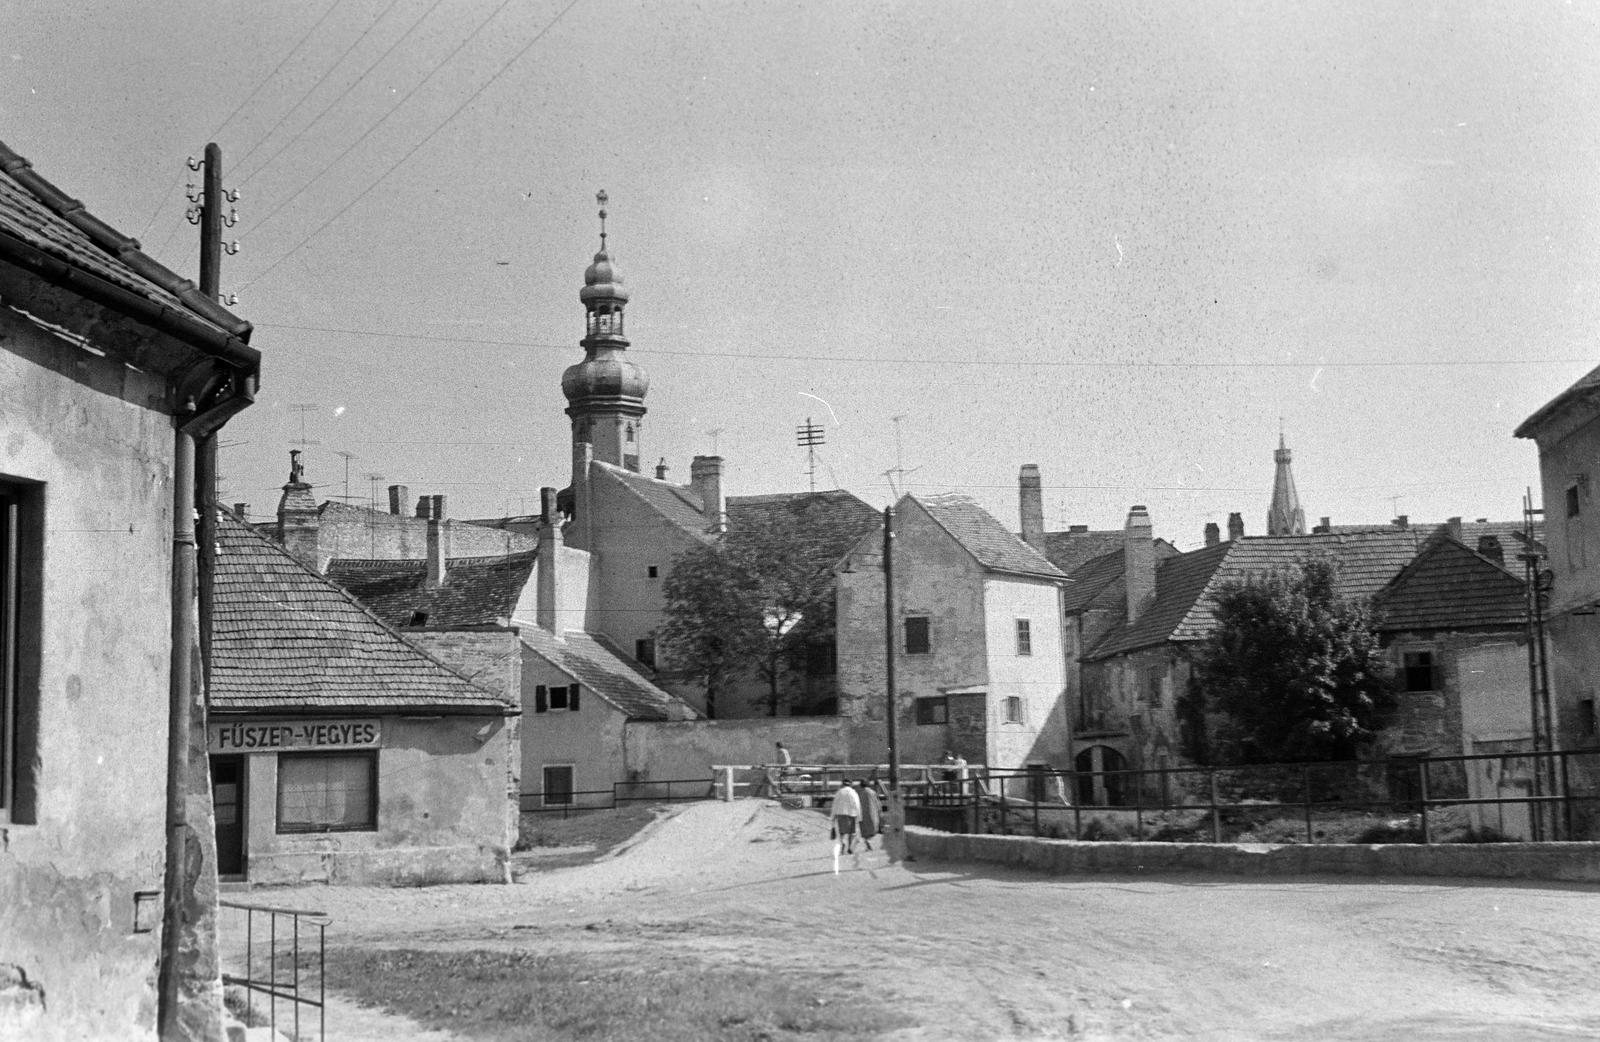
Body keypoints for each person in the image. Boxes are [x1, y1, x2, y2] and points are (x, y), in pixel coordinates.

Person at [831, 778, 861, 855]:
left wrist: (833, 817)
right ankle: (850, 847)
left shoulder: (839, 792)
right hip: (852, 814)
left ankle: (843, 843)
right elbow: (857, 804)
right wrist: (859, 816)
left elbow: (834, 805)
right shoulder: (853, 792)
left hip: (841, 814)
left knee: (842, 832)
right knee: (852, 833)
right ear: (850, 784)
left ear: (843, 784)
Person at [855, 779, 882, 852]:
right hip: (873, 813)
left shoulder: (859, 793)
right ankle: (868, 842)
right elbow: (878, 804)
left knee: (864, 831)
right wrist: (879, 810)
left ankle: (867, 843)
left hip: (862, 814)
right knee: (873, 829)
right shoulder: (872, 792)